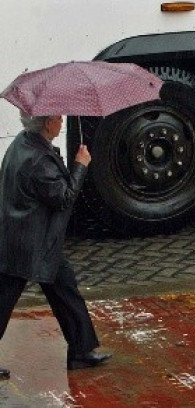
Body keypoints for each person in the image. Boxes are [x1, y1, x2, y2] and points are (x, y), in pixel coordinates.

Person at [0, 114, 111, 378]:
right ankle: (81, 350)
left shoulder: (22, 143)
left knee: (65, 289)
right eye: (58, 119)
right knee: (4, 300)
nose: (62, 122)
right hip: (30, 244)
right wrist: (80, 165)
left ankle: (81, 350)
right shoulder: (39, 160)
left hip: (26, 238)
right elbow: (63, 197)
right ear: (47, 123)